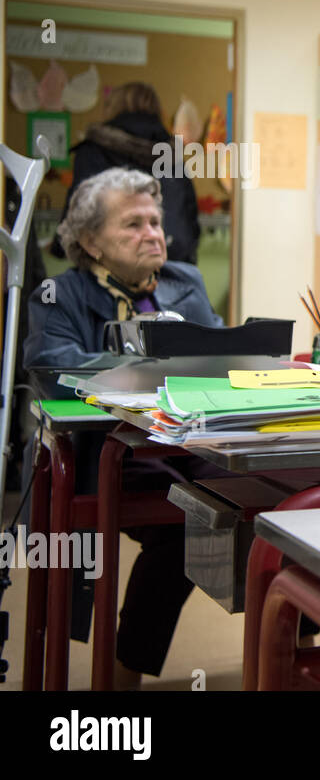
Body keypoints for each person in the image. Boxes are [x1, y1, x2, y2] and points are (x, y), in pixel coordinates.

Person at [24, 167, 222, 689]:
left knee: (281, 498)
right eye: (132, 223)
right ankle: (122, 677)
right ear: (89, 240)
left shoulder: (186, 281)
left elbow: (221, 356)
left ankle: (298, 652)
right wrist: (152, 366)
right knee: (186, 521)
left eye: (155, 221)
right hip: (114, 454)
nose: (153, 233)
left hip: (194, 444)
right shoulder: (59, 292)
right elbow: (52, 367)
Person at [51, 82, 201, 265]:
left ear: (112, 107)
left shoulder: (94, 151)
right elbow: (189, 219)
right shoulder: (170, 155)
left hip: (109, 269)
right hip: (166, 267)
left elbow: (77, 214)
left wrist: (59, 247)